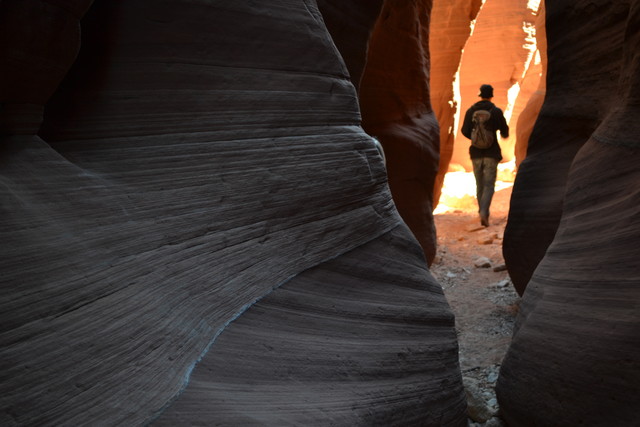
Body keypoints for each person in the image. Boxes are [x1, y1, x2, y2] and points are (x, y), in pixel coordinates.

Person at [461, 84, 509, 227]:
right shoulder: (496, 111)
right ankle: (484, 212)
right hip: (492, 153)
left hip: (475, 153)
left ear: (480, 95)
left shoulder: (471, 111)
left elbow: (464, 130)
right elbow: (505, 132)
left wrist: (476, 138)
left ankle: (480, 210)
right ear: (491, 95)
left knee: (479, 183)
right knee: (489, 184)